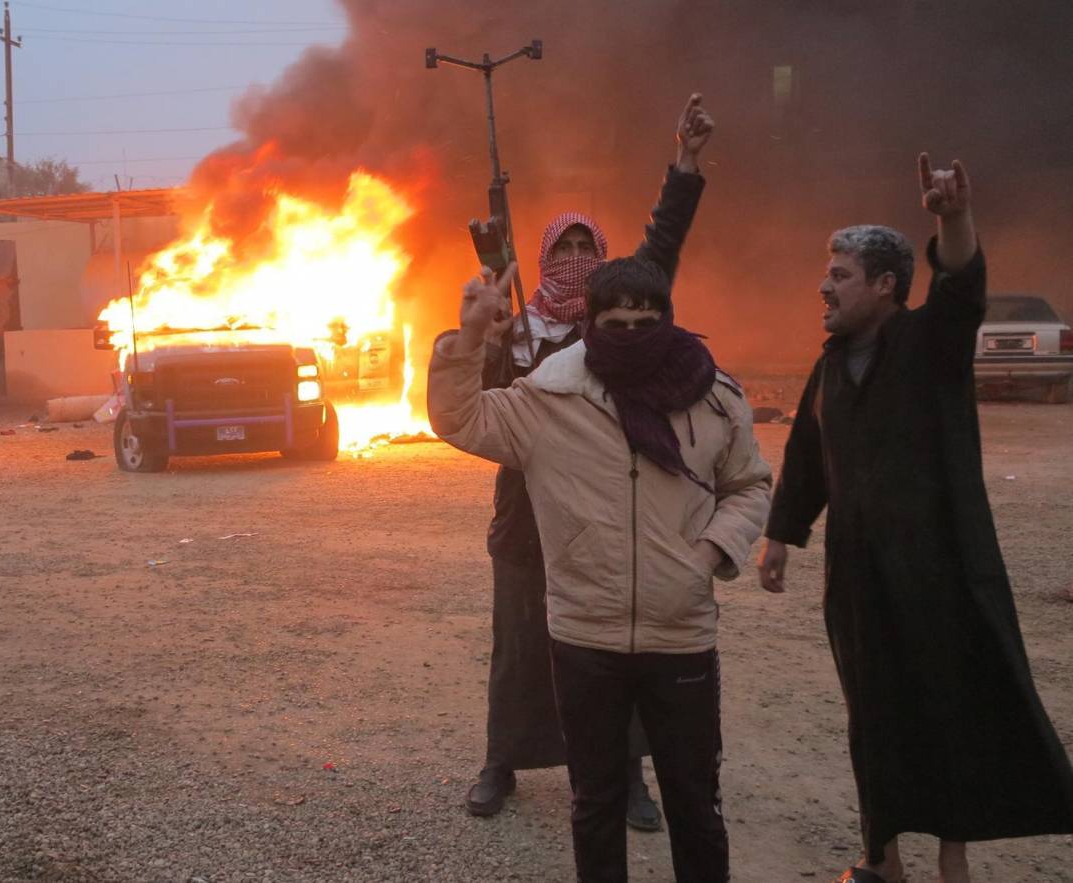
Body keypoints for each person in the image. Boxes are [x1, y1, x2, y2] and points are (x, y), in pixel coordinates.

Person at [758, 155, 1073, 883]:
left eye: (839, 275)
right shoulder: (832, 366)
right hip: (860, 582)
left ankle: (951, 864)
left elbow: (961, 288)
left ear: (885, 286)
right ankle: (883, 861)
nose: (823, 286)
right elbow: (808, 455)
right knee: (873, 718)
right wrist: (781, 533)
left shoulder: (930, 345)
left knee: (946, 712)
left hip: (941, 577)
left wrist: (952, 217)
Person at [429, 254, 772, 882]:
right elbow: (459, 419)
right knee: (595, 804)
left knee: (696, 805)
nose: (634, 339)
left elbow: (748, 484)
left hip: (683, 633)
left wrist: (707, 554)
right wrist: (471, 337)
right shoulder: (551, 396)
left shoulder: (713, 396)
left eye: (648, 325)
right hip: (586, 637)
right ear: (591, 324)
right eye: (617, 325)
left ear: (669, 320)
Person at [467, 94, 716, 833]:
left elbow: (662, 244)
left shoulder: (621, 327)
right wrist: (489, 338)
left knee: (616, 653)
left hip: (608, 520)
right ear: (543, 259)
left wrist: (686, 165)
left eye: (587, 247)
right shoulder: (520, 329)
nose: (576, 259)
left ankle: (627, 774)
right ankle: (500, 760)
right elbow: (486, 417)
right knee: (518, 644)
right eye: (563, 249)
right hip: (526, 522)